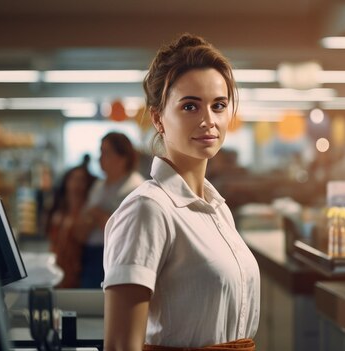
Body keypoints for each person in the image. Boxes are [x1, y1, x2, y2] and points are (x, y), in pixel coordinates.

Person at [103, 34, 260, 350]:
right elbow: (121, 345)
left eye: (219, 106)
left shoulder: (217, 210)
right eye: (190, 106)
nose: (208, 121)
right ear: (159, 118)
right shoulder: (147, 209)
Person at [80, 132, 144, 288]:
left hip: (120, 257)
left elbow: (121, 229)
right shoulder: (99, 186)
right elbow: (82, 225)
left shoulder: (135, 188)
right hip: (92, 254)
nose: (100, 158)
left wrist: (97, 215)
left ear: (122, 157)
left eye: (105, 153)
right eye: (100, 152)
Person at [45, 157, 97, 288]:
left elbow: (82, 237)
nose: (76, 184)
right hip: (55, 271)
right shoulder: (58, 213)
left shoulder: (88, 213)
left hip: (79, 275)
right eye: (73, 179)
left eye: (81, 180)